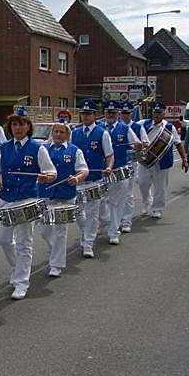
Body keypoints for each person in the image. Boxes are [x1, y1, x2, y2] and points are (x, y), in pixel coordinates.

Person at [0, 107, 57, 300]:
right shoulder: (3, 148)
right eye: (15, 124)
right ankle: (17, 268)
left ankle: (21, 282)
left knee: (24, 243)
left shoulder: (38, 148)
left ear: (28, 127)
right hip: (5, 198)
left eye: (22, 124)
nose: (18, 128)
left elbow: (52, 172)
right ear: (10, 127)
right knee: (2, 239)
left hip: (27, 199)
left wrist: (47, 177)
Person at [38, 122, 88, 277]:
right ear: (52, 133)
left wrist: (77, 179)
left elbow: (83, 170)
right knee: (45, 231)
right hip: (45, 193)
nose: (58, 134)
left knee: (60, 231)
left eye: (61, 132)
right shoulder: (43, 149)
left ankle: (56, 265)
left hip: (66, 195)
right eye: (56, 131)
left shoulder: (74, 151)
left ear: (67, 135)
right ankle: (56, 250)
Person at [71, 99, 114, 258]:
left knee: (92, 213)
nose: (85, 116)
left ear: (95, 115)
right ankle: (86, 232)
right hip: (78, 180)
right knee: (77, 212)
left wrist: (109, 167)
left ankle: (88, 243)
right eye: (83, 113)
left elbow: (109, 155)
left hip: (95, 179)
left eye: (88, 114)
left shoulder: (102, 133)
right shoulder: (74, 133)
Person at [99, 101, 141, 245]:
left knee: (117, 203)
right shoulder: (98, 129)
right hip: (101, 172)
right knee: (100, 202)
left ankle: (114, 231)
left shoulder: (125, 129)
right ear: (104, 113)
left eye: (114, 112)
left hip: (119, 170)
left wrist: (138, 146)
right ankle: (105, 221)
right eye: (108, 112)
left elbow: (136, 145)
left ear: (118, 114)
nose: (111, 114)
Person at [138, 101, 188, 219]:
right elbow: (130, 127)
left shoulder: (169, 127)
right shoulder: (143, 123)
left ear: (163, 113)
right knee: (142, 183)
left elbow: (178, 144)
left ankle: (157, 208)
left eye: (159, 112)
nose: (156, 115)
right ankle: (147, 202)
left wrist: (184, 159)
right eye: (155, 112)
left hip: (162, 161)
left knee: (160, 186)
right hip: (145, 161)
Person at [119, 102, 149, 233]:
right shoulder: (116, 126)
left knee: (128, 193)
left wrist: (139, 145)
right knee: (113, 195)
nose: (125, 115)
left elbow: (146, 143)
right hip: (116, 164)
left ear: (131, 113)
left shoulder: (137, 127)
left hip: (130, 162)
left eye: (127, 113)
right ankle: (115, 219)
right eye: (123, 113)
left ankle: (126, 221)